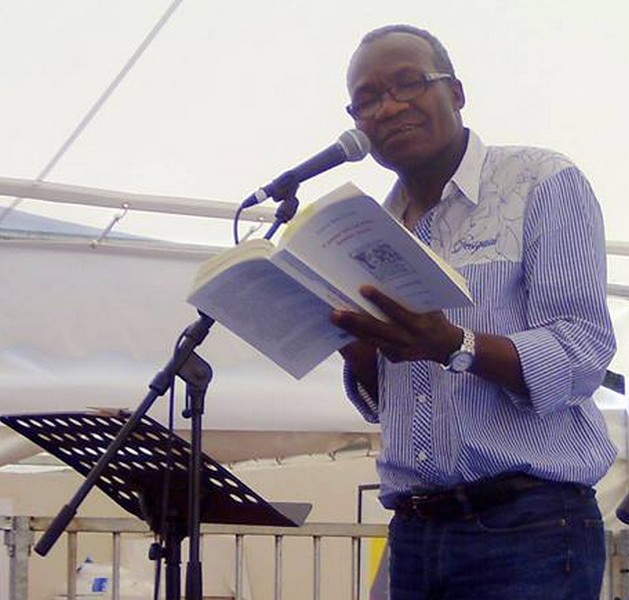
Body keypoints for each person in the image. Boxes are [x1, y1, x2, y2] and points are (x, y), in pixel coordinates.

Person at [331, 24, 617, 600]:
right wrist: (355, 345)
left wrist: (455, 343)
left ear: (456, 92)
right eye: (367, 99)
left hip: (527, 525)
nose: (389, 106)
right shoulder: (371, 232)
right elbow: (391, 400)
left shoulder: (540, 181)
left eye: (409, 83)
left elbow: (583, 350)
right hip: (413, 530)